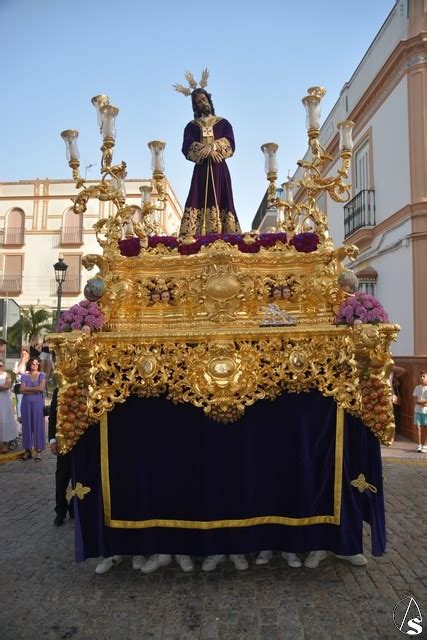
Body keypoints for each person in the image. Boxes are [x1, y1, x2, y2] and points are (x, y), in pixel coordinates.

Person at [175, 72, 241, 237]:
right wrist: (201, 149)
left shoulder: (223, 123)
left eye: (203, 99)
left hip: (220, 169)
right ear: (195, 106)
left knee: (223, 198)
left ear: (209, 101)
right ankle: (194, 236)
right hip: (202, 170)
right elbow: (186, 145)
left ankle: (227, 234)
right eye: (198, 102)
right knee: (197, 198)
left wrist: (212, 146)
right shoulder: (191, 126)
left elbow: (231, 143)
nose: (201, 103)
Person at [48, 387, 73, 525]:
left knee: (81, 476)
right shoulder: (59, 389)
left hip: (82, 443)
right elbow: (53, 415)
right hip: (63, 441)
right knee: (62, 477)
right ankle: (60, 510)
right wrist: (52, 439)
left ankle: (75, 507)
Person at [20, 358, 46, 461]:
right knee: (26, 426)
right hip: (26, 404)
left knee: (38, 426)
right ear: (29, 364)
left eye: (36, 363)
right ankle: (27, 450)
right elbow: (21, 389)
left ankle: (38, 451)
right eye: (32, 363)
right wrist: (35, 390)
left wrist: (27, 389)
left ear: (38, 364)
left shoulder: (42, 375)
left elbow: (41, 388)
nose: (34, 365)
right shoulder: (24, 376)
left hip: (38, 404)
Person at [0, 359, 18, 453]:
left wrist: (3, 386)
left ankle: (5, 444)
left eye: (1, 365)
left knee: (5, 419)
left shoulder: (7, 375)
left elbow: (8, 386)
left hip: (4, 400)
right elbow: (4, 386)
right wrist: (2, 386)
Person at [13, 347, 30, 423]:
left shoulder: (31, 363)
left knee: (27, 402)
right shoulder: (17, 363)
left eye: (25, 354)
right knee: (19, 402)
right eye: (22, 354)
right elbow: (17, 371)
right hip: (19, 385)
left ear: (28, 355)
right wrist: (22, 362)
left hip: (29, 386)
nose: (23, 355)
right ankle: (19, 420)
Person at [413, 370, 427, 453]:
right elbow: (415, 399)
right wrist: (423, 402)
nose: (422, 378)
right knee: (418, 428)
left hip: (426, 412)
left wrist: (421, 402)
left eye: (424, 376)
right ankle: (419, 445)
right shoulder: (417, 387)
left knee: (425, 428)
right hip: (417, 411)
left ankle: (425, 445)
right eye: (421, 376)